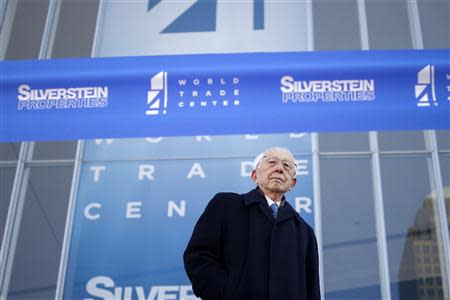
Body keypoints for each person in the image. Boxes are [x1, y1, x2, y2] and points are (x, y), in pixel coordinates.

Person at [183, 147, 321, 300]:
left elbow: (312, 288)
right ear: (255, 175)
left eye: (287, 166)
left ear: (292, 183)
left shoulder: (304, 232)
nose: (279, 169)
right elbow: (199, 256)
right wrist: (224, 293)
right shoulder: (226, 205)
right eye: (272, 162)